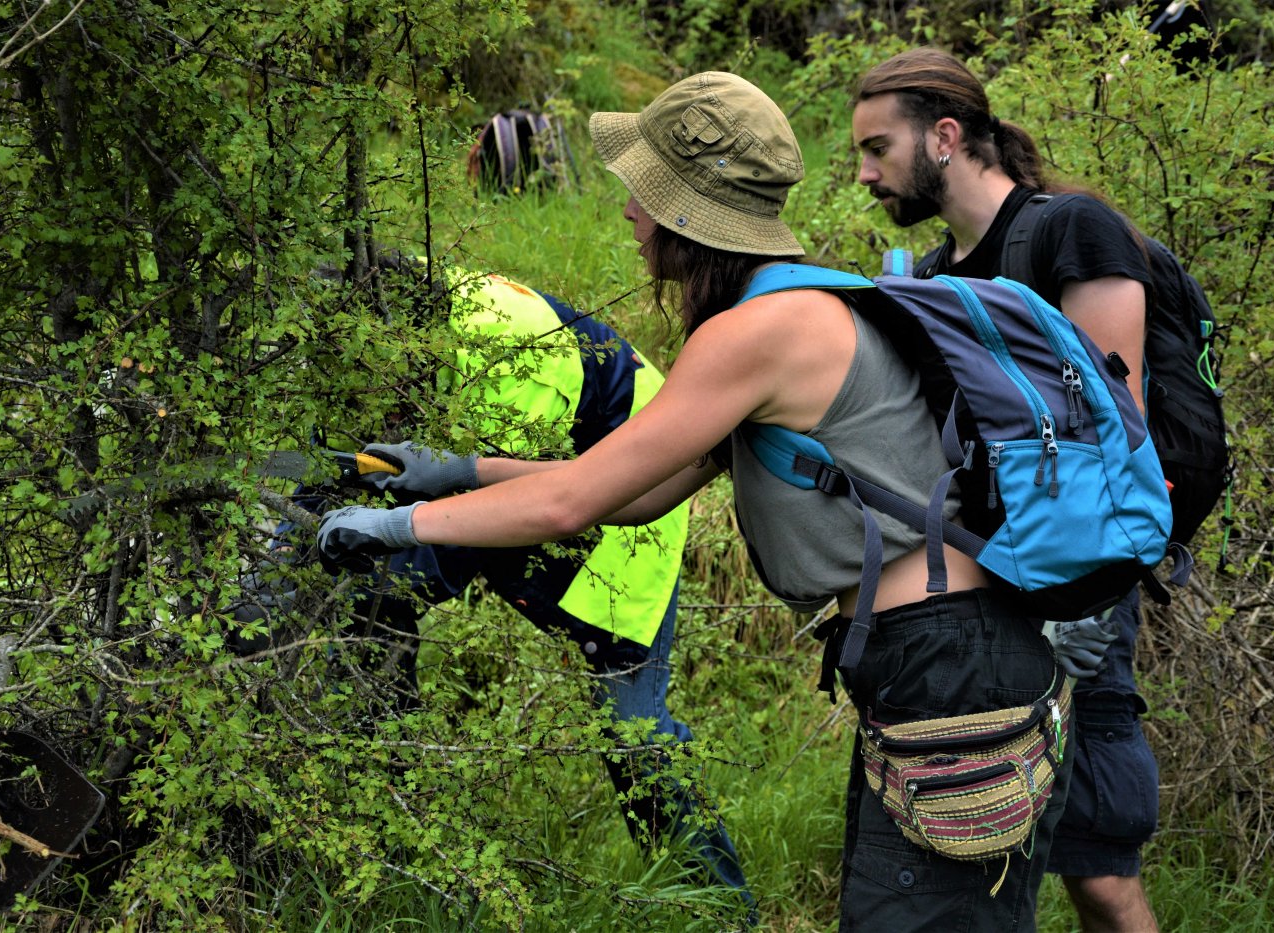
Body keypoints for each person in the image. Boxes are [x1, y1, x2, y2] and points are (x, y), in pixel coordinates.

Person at [314, 70, 1076, 931]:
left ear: (685, 211)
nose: (628, 214)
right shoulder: (790, 307)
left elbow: (573, 502)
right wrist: (455, 471)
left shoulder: (761, 333)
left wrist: (393, 527)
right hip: (943, 659)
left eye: (641, 192)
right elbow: (633, 492)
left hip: (948, 667)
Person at [241, 266, 753, 909]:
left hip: (632, 509)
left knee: (634, 732)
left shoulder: (511, 362)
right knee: (373, 608)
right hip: (546, 490)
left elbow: (505, 517)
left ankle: (717, 909)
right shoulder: (384, 311)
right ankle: (379, 837)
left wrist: (383, 532)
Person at [850, 47, 1162, 932]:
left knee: (1099, 867)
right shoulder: (942, 273)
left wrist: (1081, 625)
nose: (866, 173)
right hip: (987, 593)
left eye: (878, 148)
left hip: (1076, 589)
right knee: (996, 846)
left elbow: (1117, 435)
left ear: (945, 137)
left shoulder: (1073, 231)